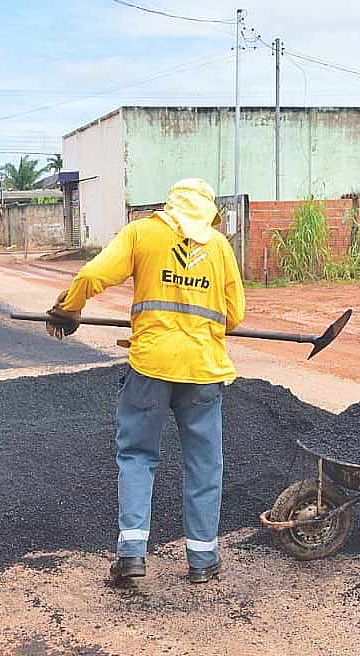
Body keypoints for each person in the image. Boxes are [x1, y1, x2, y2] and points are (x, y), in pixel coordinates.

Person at [46, 178, 245, 583]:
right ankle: (203, 561)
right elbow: (235, 314)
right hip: (203, 371)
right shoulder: (219, 247)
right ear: (207, 212)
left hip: (150, 366)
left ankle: (132, 554)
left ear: (171, 205)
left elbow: (91, 274)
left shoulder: (142, 233)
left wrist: (69, 308)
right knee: (204, 465)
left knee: (138, 457)